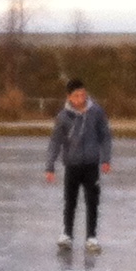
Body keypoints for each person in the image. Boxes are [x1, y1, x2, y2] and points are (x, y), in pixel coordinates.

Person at [44, 81, 112, 253]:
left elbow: (105, 136)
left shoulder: (96, 112)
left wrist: (105, 158)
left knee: (92, 201)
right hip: (72, 165)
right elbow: (55, 142)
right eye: (76, 95)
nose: (81, 98)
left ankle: (91, 236)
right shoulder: (63, 117)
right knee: (70, 201)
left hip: (91, 164)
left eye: (83, 94)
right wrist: (50, 166)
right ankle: (67, 234)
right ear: (69, 97)